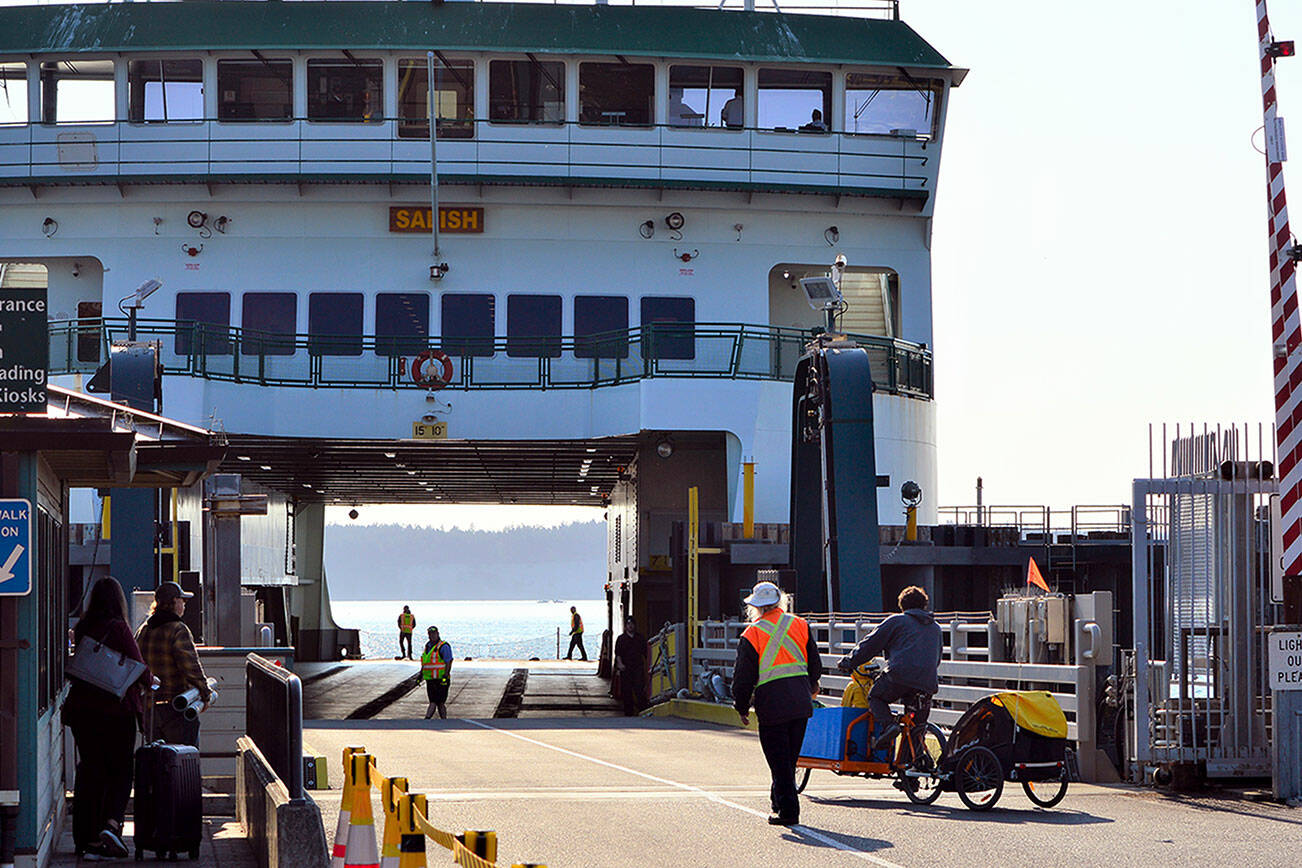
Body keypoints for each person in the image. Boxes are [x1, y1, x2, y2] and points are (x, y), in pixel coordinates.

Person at [63, 577, 149, 860]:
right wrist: (152, 680)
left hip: (82, 712)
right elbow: (137, 666)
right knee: (122, 770)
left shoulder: (83, 627)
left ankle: (85, 838)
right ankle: (111, 825)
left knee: (90, 770)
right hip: (115, 712)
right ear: (119, 601)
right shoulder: (119, 627)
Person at [731, 581, 822, 827]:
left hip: (772, 704)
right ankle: (778, 801)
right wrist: (812, 685)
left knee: (779, 760)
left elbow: (743, 677)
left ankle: (789, 812)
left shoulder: (752, 633)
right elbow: (815, 663)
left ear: (756, 607)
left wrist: (741, 706)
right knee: (788, 759)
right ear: (780, 602)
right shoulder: (800, 624)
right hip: (801, 702)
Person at [835, 585, 942, 760]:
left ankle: (888, 726)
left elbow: (870, 645)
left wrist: (849, 661)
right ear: (924, 605)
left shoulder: (897, 621)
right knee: (916, 726)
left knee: (876, 697)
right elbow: (937, 658)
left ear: (902, 605)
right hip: (927, 682)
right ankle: (912, 770)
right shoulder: (935, 628)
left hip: (900, 676)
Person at [136, 581, 211, 746]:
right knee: (182, 761)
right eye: (182, 600)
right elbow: (191, 667)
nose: (184, 604)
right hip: (176, 708)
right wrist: (205, 693)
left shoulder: (144, 629)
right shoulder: (178, 629)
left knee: (156, 760)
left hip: (150, 709)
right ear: (173, 602)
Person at [613, 617, 647, 716]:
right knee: (626, 691)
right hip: (626, 668)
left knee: (639, 689)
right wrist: (620, 664)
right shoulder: (621, 639)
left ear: (635, 626)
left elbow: (646, 653)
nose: (630, 626)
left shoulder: (640, 638)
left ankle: (642, 711)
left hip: (637, 667)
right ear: (625, 626)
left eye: (632, 624)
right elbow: (618, 653)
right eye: (628, 624)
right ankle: (628, 712)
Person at [421, 626, 453, 720]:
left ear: (438, 634)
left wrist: (446, 675)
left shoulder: (443, 646)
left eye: (434, 634)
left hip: (440, 679)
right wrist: (421, 675)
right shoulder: (428, 646)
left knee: (438, 702)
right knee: (434, 701)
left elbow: (448, 661)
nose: (432, 636)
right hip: (430, 679)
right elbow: (425, 662)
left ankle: (428, 719)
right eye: (430, 634)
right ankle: (442, 719)